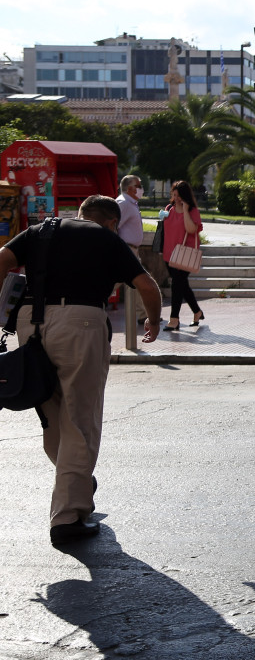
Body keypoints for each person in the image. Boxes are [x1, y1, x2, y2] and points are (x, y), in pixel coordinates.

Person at [0, 195, 162, 545]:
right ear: (111, 223)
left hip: (33, 323)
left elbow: (2, 261)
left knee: (52, 415)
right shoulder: (105, 238)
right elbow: (147, 285)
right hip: (82, 323)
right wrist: (153, 319)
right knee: (80, 420)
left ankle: (77, 482)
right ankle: (68, 517)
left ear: (81, 213)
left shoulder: (41, 231)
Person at [160, 181, 204, 331]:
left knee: (177, 285)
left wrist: (185, 210)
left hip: (185, 254)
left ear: (185, 196)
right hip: (169, 254)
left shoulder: (193, 211)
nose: (176, 198)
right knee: (182, 285)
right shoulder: (168, 209)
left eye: (179, 196)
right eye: (174, 195)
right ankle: (197, 312)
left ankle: (174, 319)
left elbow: (192, 230)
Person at [115, 175, 147, 322]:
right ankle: (94, 302)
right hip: (126, 249)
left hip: (132, 249)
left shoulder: (131, 203)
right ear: (129, 188)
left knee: (138, 281)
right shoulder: (124, 203)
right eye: (138, 186)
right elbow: (114, 226)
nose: (141, 188)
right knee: (119, 280)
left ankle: (143, 314)